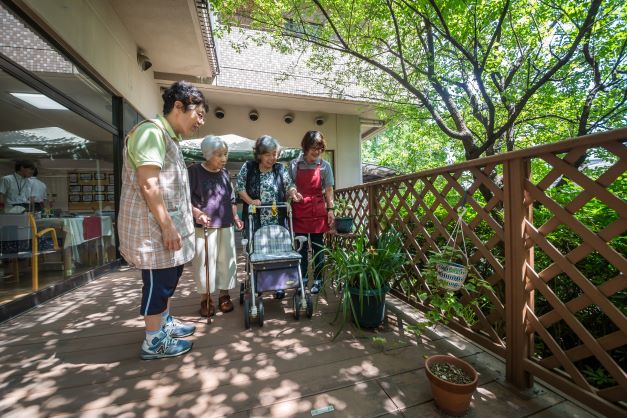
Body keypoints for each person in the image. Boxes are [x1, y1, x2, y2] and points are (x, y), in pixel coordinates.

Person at [118, 81, 207, 360]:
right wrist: (167, 225)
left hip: (166, 227)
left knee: (169, 279)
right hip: (154, 229)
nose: (201, 121)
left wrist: (190, 212)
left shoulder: (167, 138)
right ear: (179, 106)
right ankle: (154, 341)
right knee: (159, 284)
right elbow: (148, 184)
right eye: (199, 114)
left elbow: (170, 187)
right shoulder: (150, 133)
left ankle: (164, 325)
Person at [235, 135, 299, 299]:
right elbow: (240, 187)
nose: (272, 158)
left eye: (275, 154)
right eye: (268, 154)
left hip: (277, 219)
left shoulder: (280, 168)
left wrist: (293, 192)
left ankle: (278, 283)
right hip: (255, 218)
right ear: (259, 154)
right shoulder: (249, 167)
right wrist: (251, 201)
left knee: (277, 250)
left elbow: (289, 184)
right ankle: (257, 282)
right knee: (256, 250)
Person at [188, 135, 244, 318]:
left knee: (226, 262)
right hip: (204, 226)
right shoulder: (194, 171)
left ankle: (224, 296)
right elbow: (184, 200)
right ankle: (206, 299)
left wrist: (235, 216)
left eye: (225, 154)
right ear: (207, 154)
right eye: (219, 155)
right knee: (204, 263)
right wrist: (198, 213)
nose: (224, 158)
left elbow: (232, 198)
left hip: (225, 224)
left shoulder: (225, 173)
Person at [289, 131, 335, 294]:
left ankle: (318, 279)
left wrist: (330, 209)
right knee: (300, 247)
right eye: (314, 148)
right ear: (306, 147)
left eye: (320, 148)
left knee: (318, 248)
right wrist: (293, 192)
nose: (316, 152)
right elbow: (290, 185)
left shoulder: (324, 166)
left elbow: (329, 189)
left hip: (317, 211)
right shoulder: (294, 164)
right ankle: (302, 278)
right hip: (300, 210)